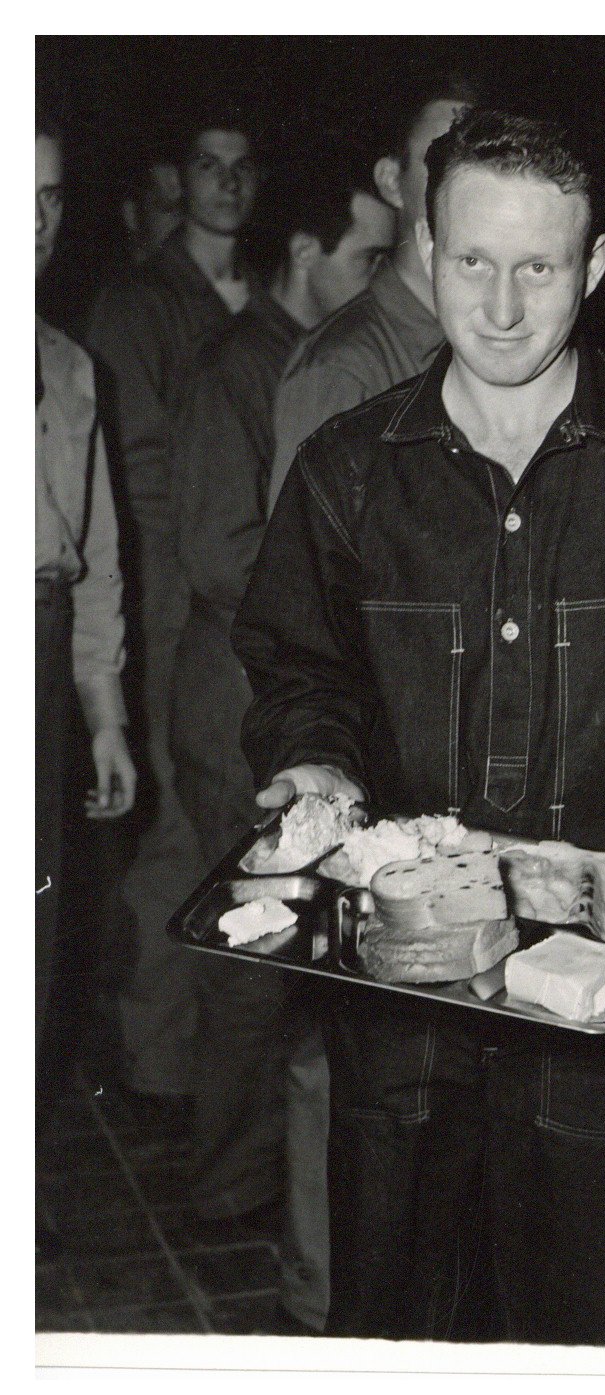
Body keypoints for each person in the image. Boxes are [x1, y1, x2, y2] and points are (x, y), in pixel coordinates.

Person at [232, 107, 605, 1345]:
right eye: (472, 260)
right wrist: (311, 752)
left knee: (574, 1326)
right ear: (425, 248)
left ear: (592, 267)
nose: (504, 305)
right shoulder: (348, 466)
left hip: (597, 994)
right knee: (393, 1320)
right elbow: (296, 662)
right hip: (404, 983)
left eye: (540, 266)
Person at [169, 153, 388, 1331]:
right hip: (231, 695)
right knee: (252, 971)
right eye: (364, 257)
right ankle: (222, 1191)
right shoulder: (243, 370)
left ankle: (246, 1183)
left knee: (271, 970)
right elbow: (219, 555)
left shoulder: (287, 362)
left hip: (268, 695)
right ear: (304, 256)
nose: (374, 283)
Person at [85, 102, 260, 1129]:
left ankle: (207, 1064)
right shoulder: (143, 302)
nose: (227, 183)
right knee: (173, 828)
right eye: (207, 162)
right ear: (179, 179)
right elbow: (138, 475)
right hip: (167, 593)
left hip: (231, 606)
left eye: (241, 165)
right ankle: (154, 1064)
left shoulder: (264, 299)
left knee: (224, 826)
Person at [36, 109, 137, 1244]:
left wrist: (104, 710)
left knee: (37, 931)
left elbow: (95, 555)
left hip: (44, 674)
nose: (34, 225)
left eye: (52, 197)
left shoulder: (67, 366)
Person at [267, 76, 477, 509]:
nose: (467, 182)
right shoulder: (343, 367)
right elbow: (303, 564)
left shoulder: (491, 338)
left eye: (479, 159)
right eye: (441, 158)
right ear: (389, 181)